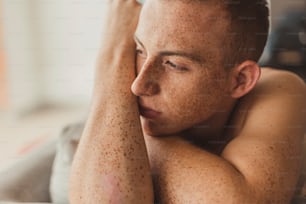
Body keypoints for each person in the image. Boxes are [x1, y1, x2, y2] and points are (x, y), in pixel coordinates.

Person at [66, 0, 305, 203]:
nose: (138, 86)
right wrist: (115, 50)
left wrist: (140, 140)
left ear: (240, 80)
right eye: (138, 49)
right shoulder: (125, 80)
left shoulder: (279, 89)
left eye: (174, 64)